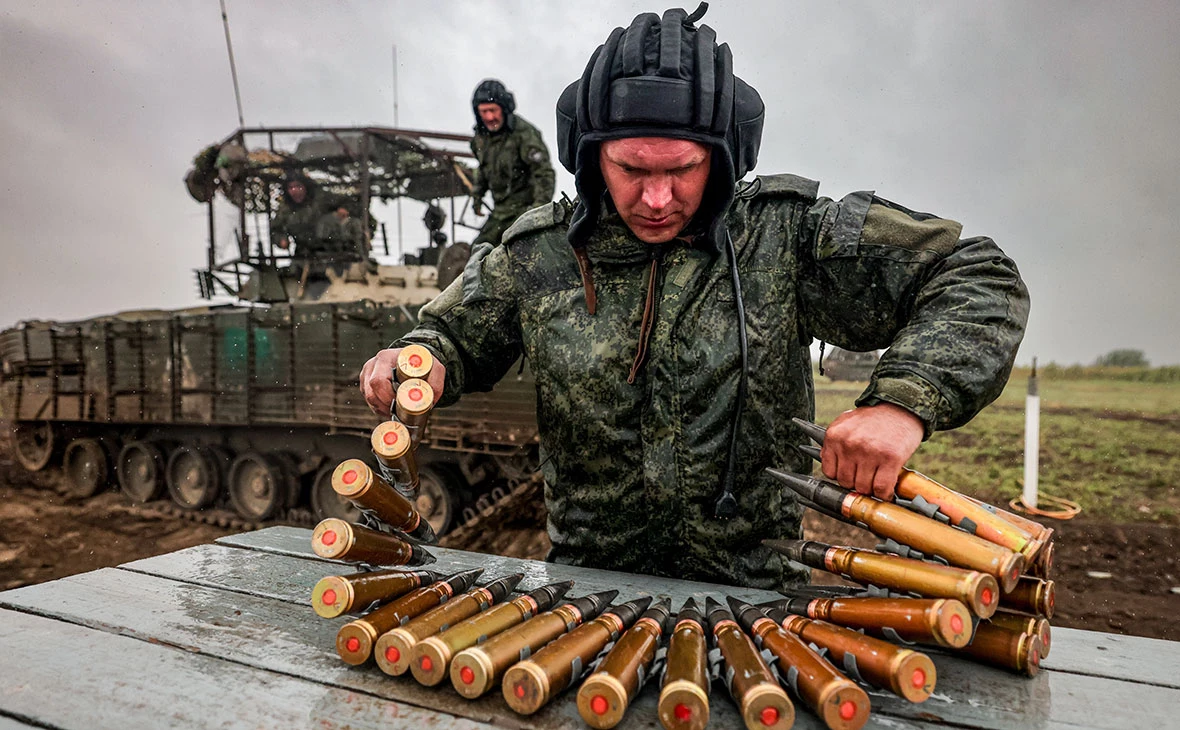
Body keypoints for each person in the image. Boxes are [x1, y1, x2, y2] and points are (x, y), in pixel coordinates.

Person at [359, 5, 1029, 591]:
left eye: (681, 170)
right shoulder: (542, 255)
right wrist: (417, 357)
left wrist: (900, 403)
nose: (656, 198)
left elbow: (977, 276)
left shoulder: (785, 237)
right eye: (631, 170)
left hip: (758, 600)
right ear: (591, 158)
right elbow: (448, 336)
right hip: (589, 598)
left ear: (724, 155)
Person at [468, 79, 556, 246]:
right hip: (500, 213)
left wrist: (537, 213)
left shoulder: (524, 134)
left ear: (504, 108)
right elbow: (483, 169)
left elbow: (544, 174)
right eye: (484, 111)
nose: (489, 117)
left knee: (518, 251)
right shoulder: (480, 140)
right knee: (479, 252)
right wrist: (477, 195)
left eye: (493, 110)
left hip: (524, 210)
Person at [271, 170, 367, 261]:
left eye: (298, 186)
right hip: (304, 254)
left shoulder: (321, 198)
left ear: (305, 186)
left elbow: (350, 202)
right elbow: (275, 229)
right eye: (290, 187)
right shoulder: (286, 208)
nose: (294, 190)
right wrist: (281, 240)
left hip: (333, 252)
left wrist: (345, 208)